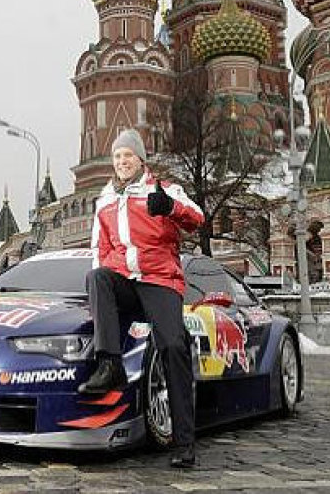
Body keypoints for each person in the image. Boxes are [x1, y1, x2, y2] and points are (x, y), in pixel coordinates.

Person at [79, 129, 204, 468]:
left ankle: (184, 443)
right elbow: (99, 249)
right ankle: (110, 365)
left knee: (173, 347)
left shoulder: (163, 189)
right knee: (97, 275)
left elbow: (197, 218)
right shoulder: (104, 200)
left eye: (128, 156)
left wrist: (171, 207)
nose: (122, 162)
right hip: (123, 281)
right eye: (117, 157)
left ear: (140, 160)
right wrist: (99, 290)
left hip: (159, 280)